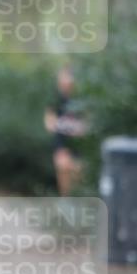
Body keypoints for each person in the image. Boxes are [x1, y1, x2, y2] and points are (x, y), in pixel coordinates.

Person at [44, 65, 87, 195]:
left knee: (78, 174)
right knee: (63, 168)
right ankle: (66, 201)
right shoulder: (56, 99)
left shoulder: (82, 100)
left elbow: (87, 124)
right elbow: (49, 124)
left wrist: (78, 129)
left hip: (79, 146)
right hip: (61, 143)